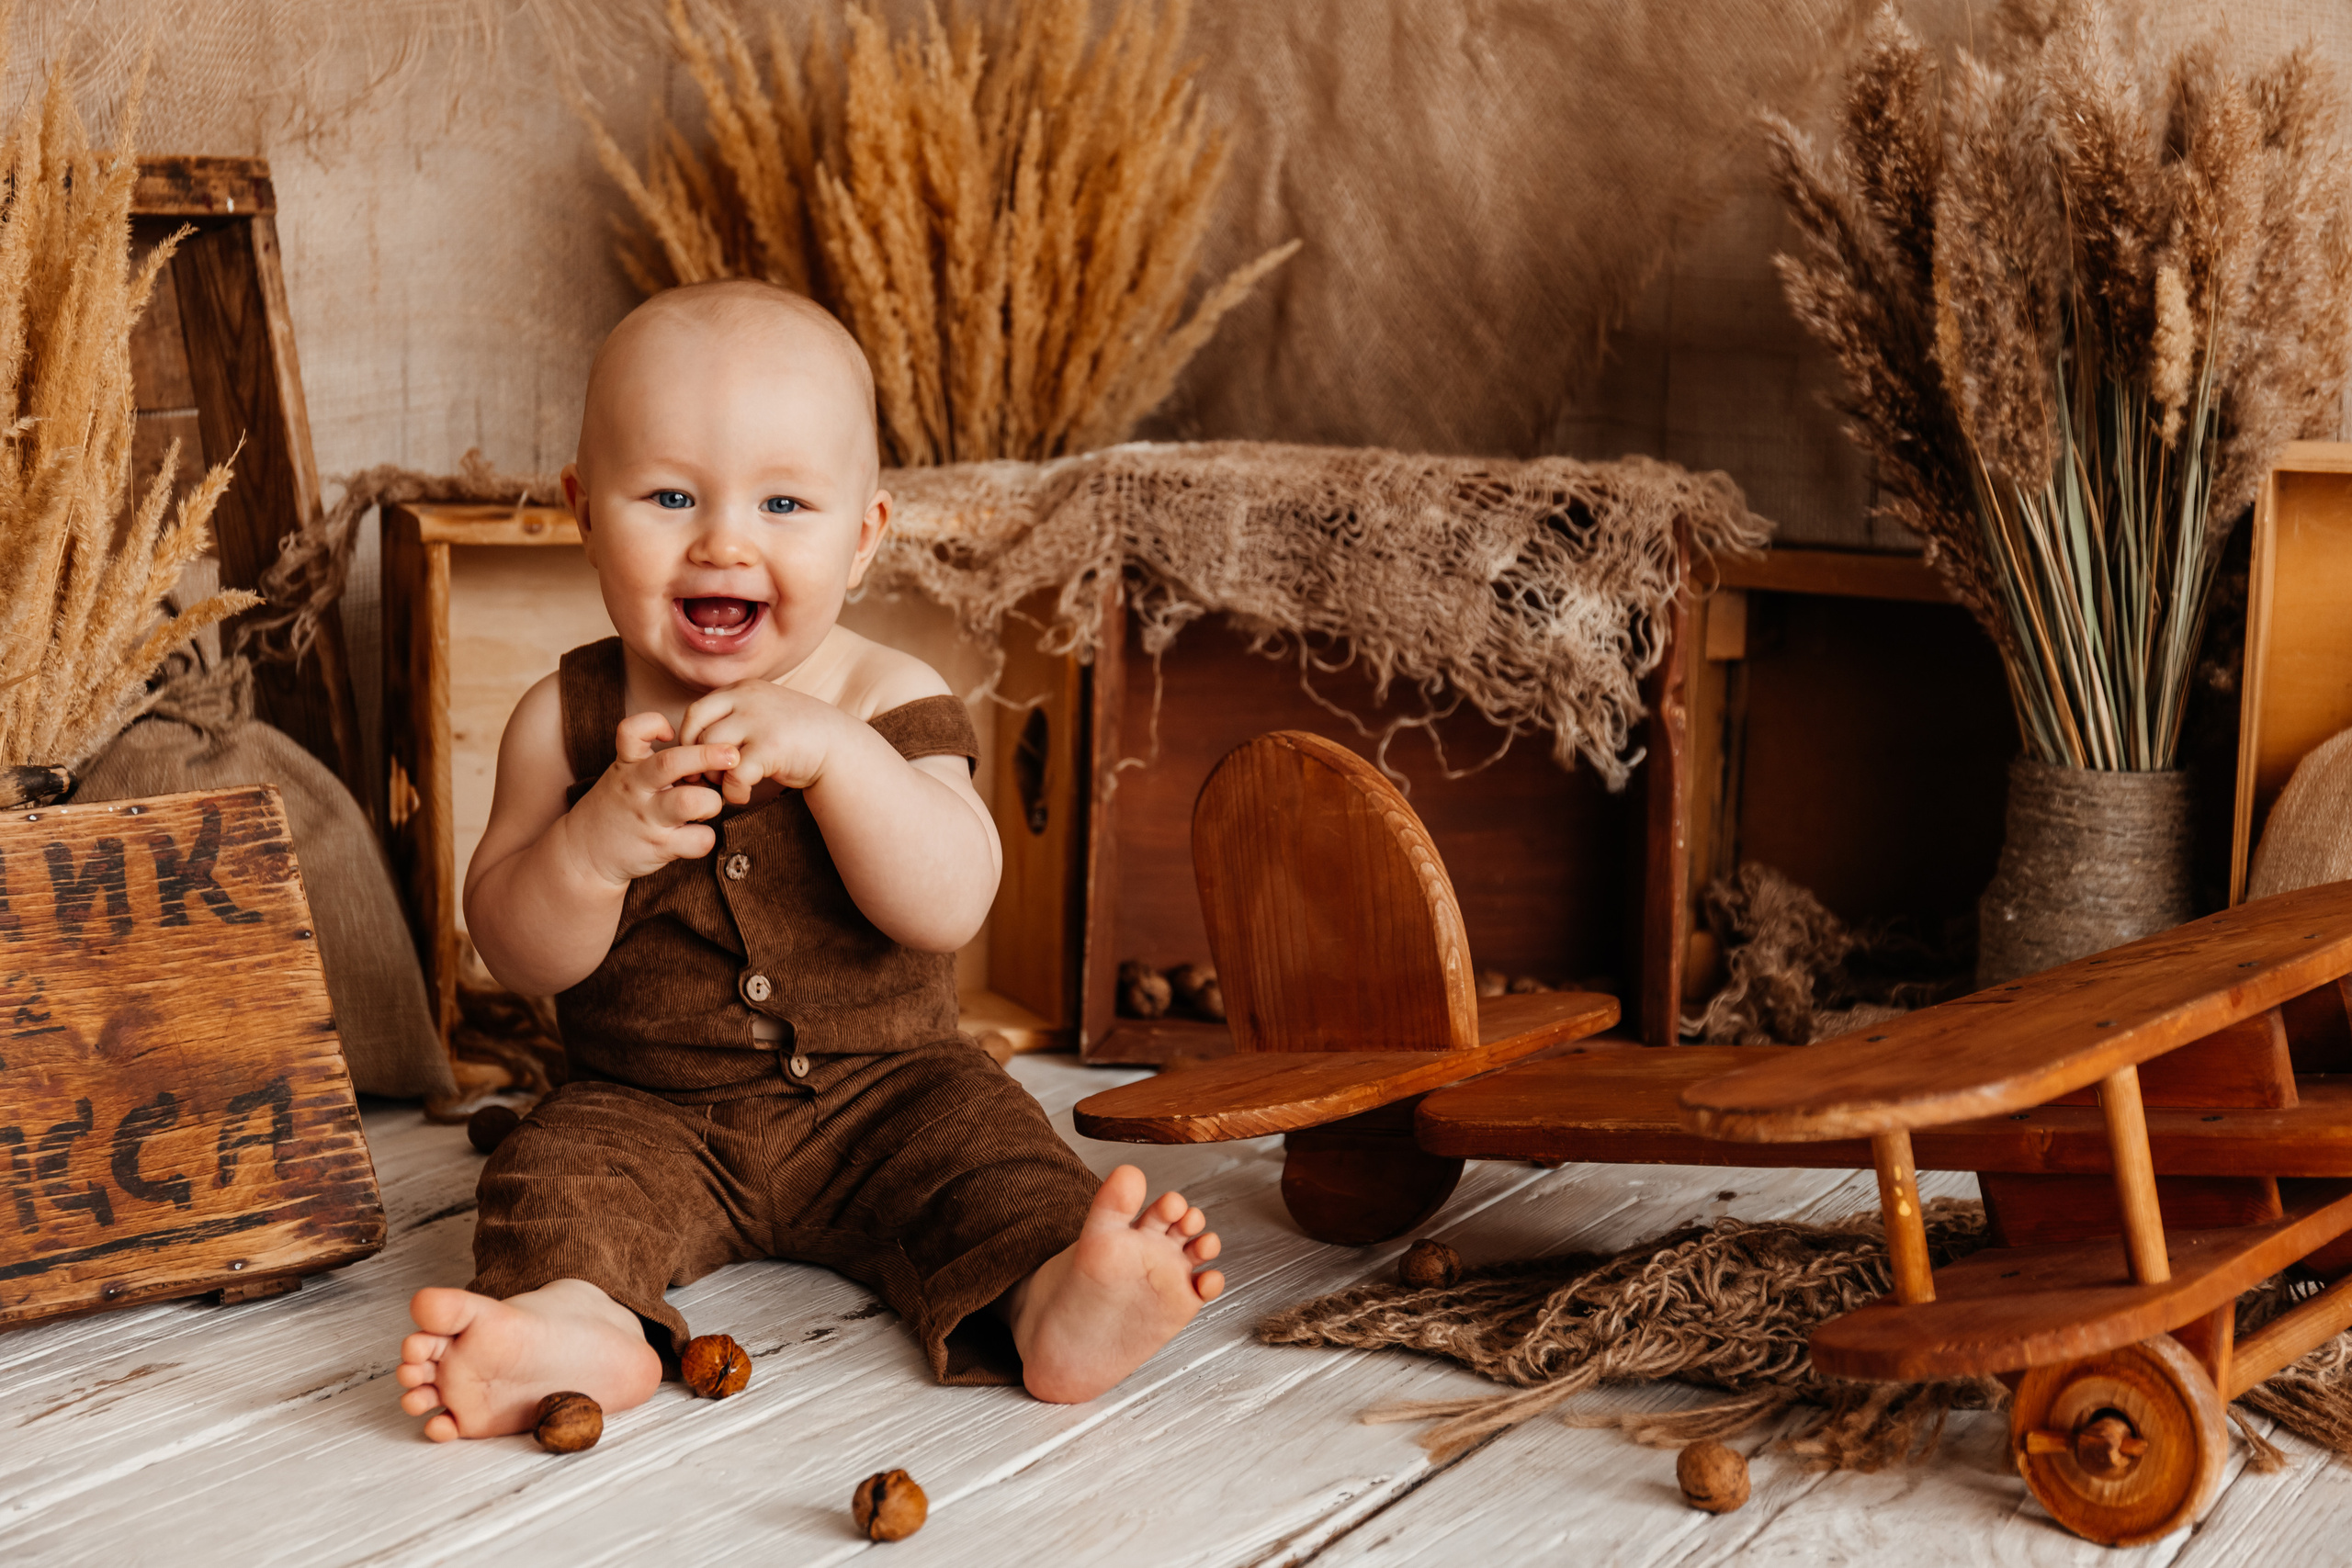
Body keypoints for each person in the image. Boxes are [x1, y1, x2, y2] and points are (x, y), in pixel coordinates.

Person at [395, 280, 1223, 1441]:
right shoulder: (566, 722)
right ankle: (582, 1324)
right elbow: (517, 949)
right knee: (554, 1178)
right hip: (647, 1107)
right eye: (671, 494)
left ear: (865, 535)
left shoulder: (887, 698)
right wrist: (590, 847)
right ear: (584, 510)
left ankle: (1051, 1300)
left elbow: (950, 904)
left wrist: (839, 758)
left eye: (785, 501)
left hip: (894, 1093)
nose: (724, 539)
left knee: (993, 1162)